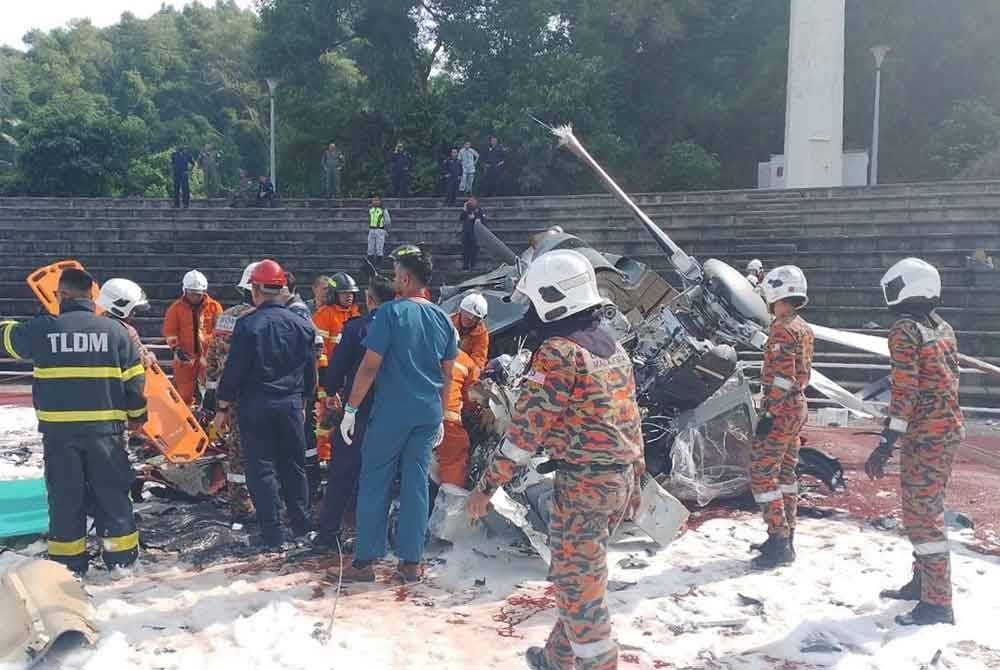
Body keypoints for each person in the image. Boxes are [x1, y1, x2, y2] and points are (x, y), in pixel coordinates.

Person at [464, 249, 644, 670]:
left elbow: (526, 432)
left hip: (584, 487)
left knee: (579, 587)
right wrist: (637, 479)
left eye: (532, 302)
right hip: (617, 482)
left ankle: (599, 662)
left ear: (553, 297)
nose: (528, 311)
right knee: (578, 576)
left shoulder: (561, 352)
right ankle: (557, 658)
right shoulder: (612, 347)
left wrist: (486, 487)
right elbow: (630, 417)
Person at [1, 269, 147, 575]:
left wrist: (39, 316)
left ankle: (69, 564)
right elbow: (134, 385)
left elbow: (9, 339)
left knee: (66, 496)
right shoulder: (117, 332)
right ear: (92, 296)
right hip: (106, 433)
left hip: (59, 434)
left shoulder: (43, 330)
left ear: (61, 296)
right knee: (112, 493)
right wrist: (137, 419)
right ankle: (121, 560)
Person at [335, 244, 457, 583]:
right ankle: (411, 563)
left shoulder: (390, 313)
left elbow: (370, 366)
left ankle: (365, 562)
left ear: (404, 277)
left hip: (392, 411)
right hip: (428, 412)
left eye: (395, 275)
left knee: (375, 479)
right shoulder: (443, 317)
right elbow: (448, 373)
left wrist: (350, 409)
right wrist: (443, 415)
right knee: (416, 483)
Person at [864, 258, 964, 627]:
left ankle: (938, 603)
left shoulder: (904, 329)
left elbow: (905, 390)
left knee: (923, 517)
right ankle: (923, 583)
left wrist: (886, 442)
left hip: (926, 435)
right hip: (946, 429)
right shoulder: (942, 326)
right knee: (926, 508)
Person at [213, 259, 317, 550]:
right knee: (294, 466)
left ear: (256, 289)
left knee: (261, 469)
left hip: (255, 406)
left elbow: (235, 370)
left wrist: (222, 408)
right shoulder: (301, 323)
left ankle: (272, 535)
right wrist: (306, 400)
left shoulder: (248, 324)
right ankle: (301, 525)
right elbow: (310, 370)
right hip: (291, 405)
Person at [314, 276, 396, 550]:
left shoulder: (357, 329)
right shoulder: (406, 327)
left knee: (342, 473)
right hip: (395, 414)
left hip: (358, 413)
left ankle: (328, 533)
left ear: (370, 300)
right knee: (385, 477)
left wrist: (332, 390)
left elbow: (336, 370)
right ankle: (378, 536)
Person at [749, 265, 814, 570]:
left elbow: (783, 378)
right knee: (786, 475)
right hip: (798, 406)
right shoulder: (802, 326)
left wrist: (770, 411)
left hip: (783, 407)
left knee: (763, 474)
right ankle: (786, 536)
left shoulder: (781, 328)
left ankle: (779, 539)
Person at [203, 263, 258, 520]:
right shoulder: (264, 317)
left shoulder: (226, 316)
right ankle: (266, 501)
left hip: (229, 395)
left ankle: (241, 505)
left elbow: (213, 356)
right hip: (260, 394)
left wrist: (212, 392)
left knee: (237, 452)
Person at [312, 273, 361, 461]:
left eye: (351, 293)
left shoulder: (355, 315)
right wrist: (326, 381)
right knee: (325, 421)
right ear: (334, 294)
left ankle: (339, 457)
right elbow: (319, 350)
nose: (349, 296)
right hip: (328, 379)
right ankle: (323, 458)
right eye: (344, 293)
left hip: (349, 378)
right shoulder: (324, 315)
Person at [162, 270, 223, 406]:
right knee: (183, 394)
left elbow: (220, 331)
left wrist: (214, 353)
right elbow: (170, 331)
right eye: (192, 293)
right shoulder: (175, 308)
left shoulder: (214, 307)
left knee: (211, 392)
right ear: (185, 290)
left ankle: (209, 419)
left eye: (198, 293)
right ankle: (185, 421)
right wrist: (177, 349)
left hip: (208, 358)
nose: (195, 296)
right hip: (185, 359)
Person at [429, 347, 480, 499]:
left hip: (408, 415)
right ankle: (449, 504)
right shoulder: (465, 361)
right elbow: (472, 397)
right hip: (445, 420)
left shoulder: (419, 348)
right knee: (455, 455)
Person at [96, 278, 156, 369]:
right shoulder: (127, 331)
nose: (134, 314)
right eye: (133, 310)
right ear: (121, 306)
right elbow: (138, 363)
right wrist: (150, 358)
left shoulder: (91, 325)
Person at [451, 292, 489, 372]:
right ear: (461, 311)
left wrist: (472, 373)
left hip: (462, 369)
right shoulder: (448, 322)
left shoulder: (481, 334)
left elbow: (478, 360)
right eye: (467, 314)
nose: (469, 320)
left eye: (474, 318)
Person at [459, 196, 486, 271]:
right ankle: (465, 266)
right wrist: (464, 209)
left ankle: (473, 265)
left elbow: (482, 221)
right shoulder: (466, 210)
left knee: (474, 250)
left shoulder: (479, 210)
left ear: (476, 202)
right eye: (470, 201)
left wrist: (474, 218)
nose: (471, 202)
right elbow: (461, 218)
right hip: (466, 234)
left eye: (473, 201)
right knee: (465, 250)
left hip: (475, 234)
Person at [366, 195, 392, 264]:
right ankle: (370, 263)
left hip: (380, 230)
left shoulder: (383, 210)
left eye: (377, 200)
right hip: (371, 230)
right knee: (370, 247)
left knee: (379, 247)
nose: (375, 202)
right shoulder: (370, 209)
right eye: (374, 200)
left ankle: (378, 263)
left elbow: (387, 221)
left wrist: (386, 230)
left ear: (380, 201)